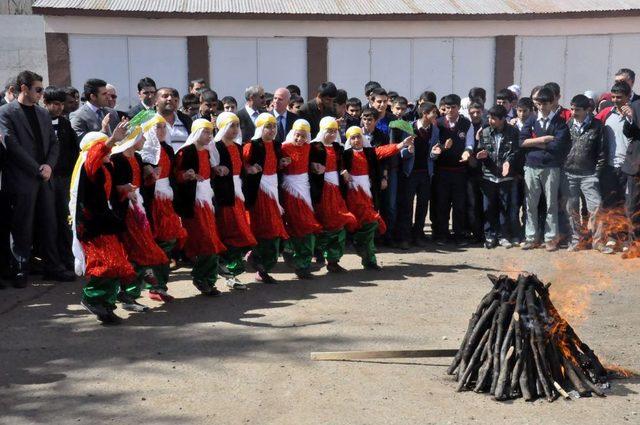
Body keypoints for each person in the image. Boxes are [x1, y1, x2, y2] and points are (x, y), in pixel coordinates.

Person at [0, 70, 75, 287]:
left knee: (50, 223)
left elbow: (54, 143)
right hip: (22, 179)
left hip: (45, 178)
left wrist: (49, 166)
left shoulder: (43, 114)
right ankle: (20, 269)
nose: (41, 94)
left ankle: (53, 266)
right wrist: (37, 168)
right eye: (38, 89)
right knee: (22, 226)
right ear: (24, 88)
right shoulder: (6, 112)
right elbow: (11, 145)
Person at [70, 128, 136, 324]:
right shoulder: (89, 165)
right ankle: (91, 298)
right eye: (105, 147)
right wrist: (111, 139)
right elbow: (93, 158)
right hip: (93, 224)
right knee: (107, 264)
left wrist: (125, 191)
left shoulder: (108, 167)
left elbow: (110, 195)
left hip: (107, 220)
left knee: (118, 264)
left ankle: (106, 305)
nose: (110, 150)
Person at [110, 125, 169, 312]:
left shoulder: (137, 157)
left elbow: (142, 184)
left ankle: (131, 293)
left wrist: (150, 175)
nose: (144, 140)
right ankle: (129, 293)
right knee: (138, 252)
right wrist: (127, 189)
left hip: (139, 210)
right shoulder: (117, 159)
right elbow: (116, 188)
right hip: (126, 213)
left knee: (143, 251)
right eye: (141, 137)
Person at [342, 126, 412, 269]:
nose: (357, 140)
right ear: (349, 140)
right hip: (353, 195)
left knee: (370, 223)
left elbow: (384, 150)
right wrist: (343, 172)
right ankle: (362, 248)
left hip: (368, 194)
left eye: (359, 137)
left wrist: (401, 145)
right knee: (366, 222)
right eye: (353, 138)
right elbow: (337, 166)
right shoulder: (345, 154)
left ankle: (368, 258)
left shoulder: (369, 152)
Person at [174, 119, 226, 296]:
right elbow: (176, 175)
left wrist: (218, 171)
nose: (209, 135)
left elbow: (208, 172)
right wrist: (186, 175)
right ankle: (201, 277)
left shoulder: (208, 152)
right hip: (193, 202)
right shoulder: (185, 152)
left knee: (212, 239)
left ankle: (207, 280)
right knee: (206, 241)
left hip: (206, 200)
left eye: (210, 131)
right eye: (204, 131)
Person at [140, 114, 187, 301]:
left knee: (169, 240)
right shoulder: (143, 152)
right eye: (157, 127)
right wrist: (149, 176)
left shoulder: (167, 148)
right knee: (155, 242)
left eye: (163, 127)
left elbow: (174, 174)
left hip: (167, 199)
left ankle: (159, 285)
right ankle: (152, 284)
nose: (162, 130)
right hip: (151, 202)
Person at [519, 86, 570, 251]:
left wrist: (534, 143)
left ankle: (550, 238)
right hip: (531, 166)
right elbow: (522, 142)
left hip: (551, 167)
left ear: (552, 103)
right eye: (539, 104)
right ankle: (531, 237)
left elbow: (558, 146)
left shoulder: (560, 122)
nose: (542, 107)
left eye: (545, 103)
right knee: (530, 204)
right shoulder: (531, 120)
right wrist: (543, 140)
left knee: (551, 205)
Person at [211, 112, 257, 290]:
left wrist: (249, 169)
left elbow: (241, 169)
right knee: (234, 234)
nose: (235, 129)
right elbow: (210, 169)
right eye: (231, 126)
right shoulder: (215, 147)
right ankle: (227, 270)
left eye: (237, 125)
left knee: (243, 235)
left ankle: (229, 270)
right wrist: (217, 169)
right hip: (224, 196)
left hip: (238, 195)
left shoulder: (238, 147)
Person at [243, 113, 289, 284]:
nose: (271, 130)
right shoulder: (252, 146)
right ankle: (258, 261)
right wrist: (249, 168)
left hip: (274, 188)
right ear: (260, 128)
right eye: (268, 127)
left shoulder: (277, 145)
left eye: (274, 126)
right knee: (265, 228)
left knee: (273, 229)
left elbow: (278, 163)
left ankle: (261, 263)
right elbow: (242, 165)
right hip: (260, 190)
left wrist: (283, 162)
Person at [309, 117, 357, 272]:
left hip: (336, 190)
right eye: (329, 131)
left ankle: (333, 259)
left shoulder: (337, 147)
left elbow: (342, 162)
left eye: (334, 131)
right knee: (328, 224)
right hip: (322, 191)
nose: (332, 134)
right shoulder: (314, 147)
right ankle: (319, 252)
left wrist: (343, 170)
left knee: (340, 223)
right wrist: (313, 167)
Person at [563, 94, 607, 253]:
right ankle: (576, 240)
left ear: (588, 109)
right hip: (569, 175)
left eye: (578, 110)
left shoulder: (597, 126)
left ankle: (598, 242)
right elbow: (562, 149)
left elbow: (602, 153)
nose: (574, 112)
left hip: (589, 175)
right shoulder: (567, 125)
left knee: (596, 207)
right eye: (572, 109)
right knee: (571, 209)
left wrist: (596, 173)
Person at [280, 119, 323, 279]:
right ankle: (291, 251)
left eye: (303, 136)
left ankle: (302, 263)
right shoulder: (284, 147)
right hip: (290, 189)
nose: (299, 139)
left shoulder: (309, 147)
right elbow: (276, 167)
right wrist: (282, 163)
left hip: (304, 188)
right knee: (296, 222)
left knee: (306, 224)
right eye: (297, 135)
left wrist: (315, 167)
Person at [431, 94, 475, 246]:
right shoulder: (438, 123)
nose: (450, 110)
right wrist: (441, 148)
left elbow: (469, 143)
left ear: (458, 108)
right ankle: (441, 234)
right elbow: (434, 145)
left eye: (453, 107)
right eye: (447, 108)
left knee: (459, 204)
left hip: (459, 171)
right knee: (442, 204)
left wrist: (467, 152)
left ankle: (459, 234)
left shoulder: (466, 123)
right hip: (442, 171)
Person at [43, 86, 79, 270]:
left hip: (64, 180)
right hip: (45, 180)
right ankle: (52, 261)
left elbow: (74, 151)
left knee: (66, 220)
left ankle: (67, 258)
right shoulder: (41, 122)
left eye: (61, 104)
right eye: (55, 104)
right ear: (46, 103)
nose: (59, 108)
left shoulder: (65, 124)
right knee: (49, 222)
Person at [475, 105, 519, 249]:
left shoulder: (513, 132)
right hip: (488, 176)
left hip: (506, 177)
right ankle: (490, 235)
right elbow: (481, 148)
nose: (490, 120)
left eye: (493, 118)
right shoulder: (485, 132)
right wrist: (482, 155)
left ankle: (503, 236)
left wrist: (508, 162)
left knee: (505, 207)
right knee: (488, 207)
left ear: (502, 119)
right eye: (489, 117)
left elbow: (515, 152)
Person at [396, 102, 438, 249]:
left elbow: (433, 154)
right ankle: (405, 237)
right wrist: (409, 151)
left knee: (422, 205)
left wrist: (435, 153)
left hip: (426, 173)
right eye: (434, 112)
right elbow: (401, 151)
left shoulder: (435, 130)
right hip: (410, 173)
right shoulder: (408, 127)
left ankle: (418, 235)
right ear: (425, 114)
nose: (436, 116)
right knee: (407, 205)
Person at [598, 82, 634, 252]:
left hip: (629, 168)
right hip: (610, 168)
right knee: (611, 204)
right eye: (613, 97)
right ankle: (612, 237)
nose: (615, 100)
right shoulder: (607, 115)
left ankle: (627, 239)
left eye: (619, 97)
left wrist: (632, 118)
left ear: (628, 96)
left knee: (628, 205)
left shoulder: (634, 115)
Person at [622, 95, 640, 257]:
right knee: (632, 207)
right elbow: (629, 133)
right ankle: (634, 243)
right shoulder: (635, 105)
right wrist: (629, 119)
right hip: (636, 166)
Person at [156, 87, 192, 152]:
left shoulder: (186, 121)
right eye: (165, 96)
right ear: (155, 101)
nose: (170, 98)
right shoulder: (150, 123)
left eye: (172, 96)